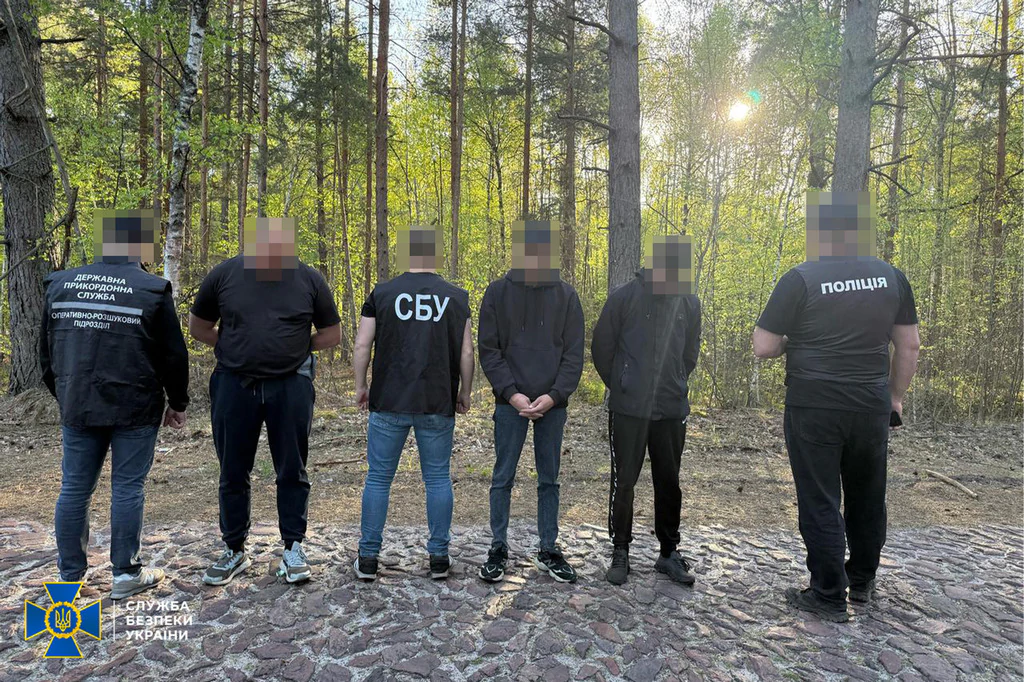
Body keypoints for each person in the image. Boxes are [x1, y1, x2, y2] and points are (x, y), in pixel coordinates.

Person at [753, 190, 920, 623]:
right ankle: (861, 580)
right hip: (870, 403)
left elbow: (764, 346)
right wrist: (895, 397)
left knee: (820, 497)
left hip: (814, 404)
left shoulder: (801, 278)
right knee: (868, 494)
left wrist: (791, 342)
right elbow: (909, 345)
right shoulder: (891, 278)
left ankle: (827, 594)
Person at [40, 210, 189, 600]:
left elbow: (46, 353)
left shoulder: (60, 284)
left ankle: (69, 576)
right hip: (135, 406)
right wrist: (177, 401)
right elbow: (174, 355)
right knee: (127, 487)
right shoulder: (152, 289)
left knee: (74, 487)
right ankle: (125, 573)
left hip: (79, 403)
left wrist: (66, 393)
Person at [189, 217, 341, 586]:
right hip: (233, 384)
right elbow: (198, 327)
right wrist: (233, 349)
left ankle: (293, 548)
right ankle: (234, 549)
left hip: (290, 386)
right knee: (232, 470)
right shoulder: (224, 274)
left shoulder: (309, 278)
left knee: (291, 469)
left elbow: (332, 333)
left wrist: (296, 350)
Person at [353, 225, 473, 581]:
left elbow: (362, 344)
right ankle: (438, 557)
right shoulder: (456, 297)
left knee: (378, 478)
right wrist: (465, 392)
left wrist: (361, 386)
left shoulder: (382, 293)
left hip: (389, 399)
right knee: (437, 478)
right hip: (436, 400)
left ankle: (368, 558)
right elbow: (467, 352)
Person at [477, 219, 585, 583]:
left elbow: (573, 355)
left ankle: (548, 549)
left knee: (549, 479)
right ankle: (498, 548)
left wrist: (554, 396)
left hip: (552, 405)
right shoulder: (497, 293)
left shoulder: (567, 296)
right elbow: (489, 350)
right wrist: (512, 393)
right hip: (510, 403)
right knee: (502, 477)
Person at [591, 234, 702, 587]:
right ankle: (620, 550)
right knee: (624, 481)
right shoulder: (624, 297)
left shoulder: (689, 303)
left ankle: (668, 552)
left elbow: (690, 354)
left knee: (669, 482)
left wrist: (675, 382)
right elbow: (601, 349)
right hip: (629, 409)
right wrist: (623, 384)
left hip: (671, 409)